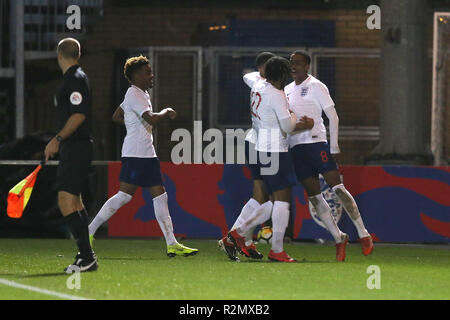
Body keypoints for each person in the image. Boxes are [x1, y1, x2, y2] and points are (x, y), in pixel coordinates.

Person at [88, 55, 198, 258]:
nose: (152, 75)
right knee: (124, 197)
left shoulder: (139, 93)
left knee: (160, 196)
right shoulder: (134, 94)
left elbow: (116, 116)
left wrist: (133, 125)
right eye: (147, 72)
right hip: (136, 154)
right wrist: (166, 111)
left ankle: (172, 243)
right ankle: (89, 231)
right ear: (136, 75)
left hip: (146, 153)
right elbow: (151, 119)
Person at [219, 52, 314, 262]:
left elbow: (250, 76)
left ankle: (239, 235)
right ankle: (268, 246)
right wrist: (297, 117)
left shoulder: (258, 85)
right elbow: (288, 127)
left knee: (264, 197)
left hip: (258, 145)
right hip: (274, 149)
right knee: (280, 200)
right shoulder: (277, 95)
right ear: (281, 75)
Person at [286, 50, 374, 261]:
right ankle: (339, 237)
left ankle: (363, 233)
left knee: (337, 188)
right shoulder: (287, 90)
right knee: (315, 197)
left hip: (317, 144)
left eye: (298, 63)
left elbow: (332, 116)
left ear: (307, 66)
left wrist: (333, 146)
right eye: (291, 63)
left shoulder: (316, 86)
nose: (294, 67)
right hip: (297, 148)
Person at [44, 38, 97, 273]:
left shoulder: (74, 79)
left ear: (59, 55)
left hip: (76, 146)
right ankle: (85, 256)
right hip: (76, 147)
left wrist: (57, 139)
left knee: (65, 201)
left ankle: (87, 257)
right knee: (75, 201)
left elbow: (78, 115)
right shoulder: (76, 77)